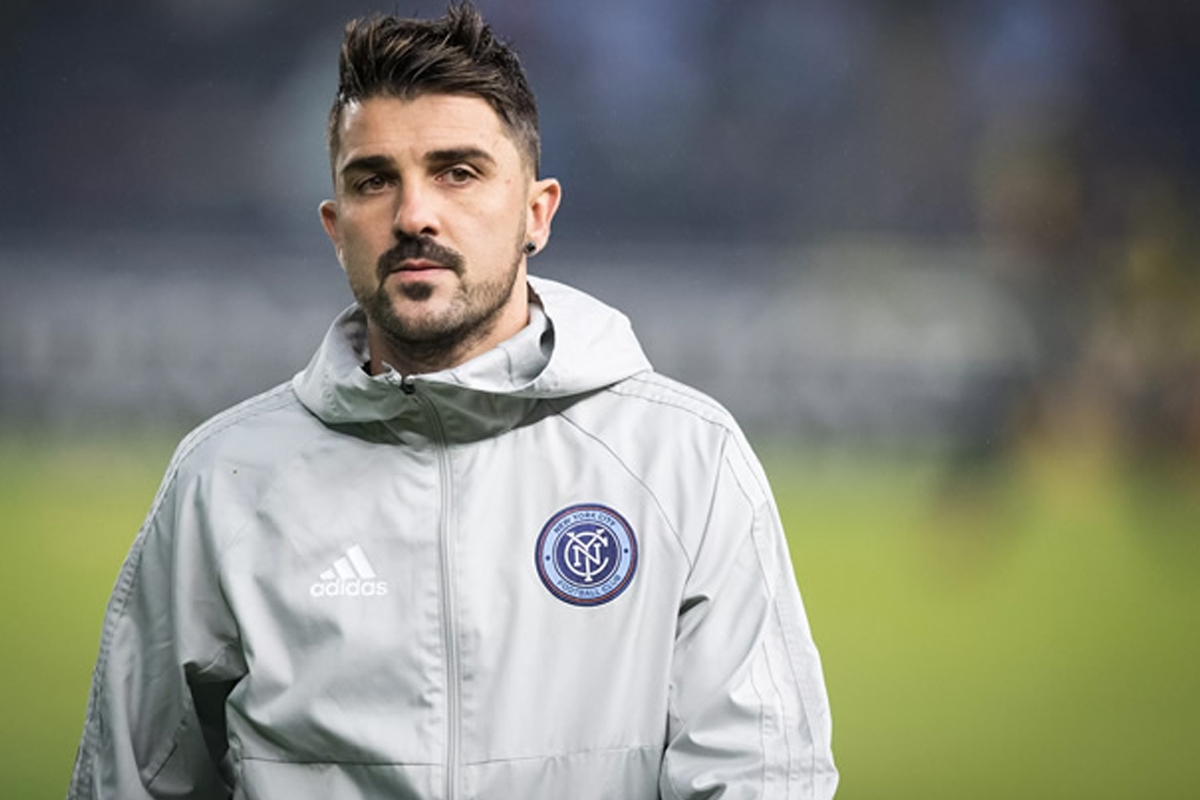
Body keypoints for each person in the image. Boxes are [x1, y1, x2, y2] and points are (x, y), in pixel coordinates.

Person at [67, 4, 837, 798]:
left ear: (536, 213)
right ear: (335, 227)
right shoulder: (221, 484)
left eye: (458, 173)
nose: (414, 215)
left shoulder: (684, 461)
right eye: (374, 181)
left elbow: (759, 775)